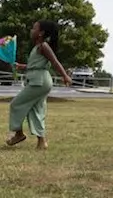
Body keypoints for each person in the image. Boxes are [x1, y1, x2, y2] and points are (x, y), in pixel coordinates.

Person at [6, 20, 72, 150]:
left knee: (16, 104)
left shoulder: (43, 46)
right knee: (36, 110)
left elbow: (55, 62)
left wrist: (64, 76)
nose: (31, 30)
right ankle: (42, 142)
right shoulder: (37, 47)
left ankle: (18, 134)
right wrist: (22, 66)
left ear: (41, 33)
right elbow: (35, 66)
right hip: (39, 81)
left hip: (39, 81)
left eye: (34, 28)